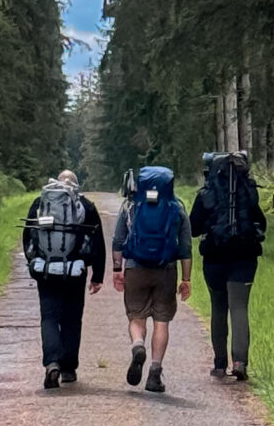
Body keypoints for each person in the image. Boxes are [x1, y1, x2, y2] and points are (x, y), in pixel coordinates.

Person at [111, 163, 191, 393]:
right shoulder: (177, 207)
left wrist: (117, 270)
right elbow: (185, 247)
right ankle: (155, 372)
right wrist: (186, 279)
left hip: (136, 269)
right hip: (166, 270)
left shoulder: (130, 206)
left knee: (136, 317)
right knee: (161, 321)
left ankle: (138, 345)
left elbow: (118, 240)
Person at [22, 169, 104, 390]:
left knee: (49, 317)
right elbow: (97, 241)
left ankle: (51, 362)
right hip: (75, 272)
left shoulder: (40, 203)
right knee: (72, 319)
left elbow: (28, 236)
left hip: (46, 271)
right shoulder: (85, 206)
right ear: (76, 186)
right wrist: (98, 275)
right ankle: (68, 369)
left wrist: (34, 261)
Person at [191, 150, 266, 381]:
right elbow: (260, 222)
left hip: (214, 259)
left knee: (219, 309)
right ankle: (240, 361)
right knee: (240, 308)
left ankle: (219, 364)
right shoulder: (249, 191)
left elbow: (194, 228)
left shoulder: (206, 194)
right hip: (244, 257)